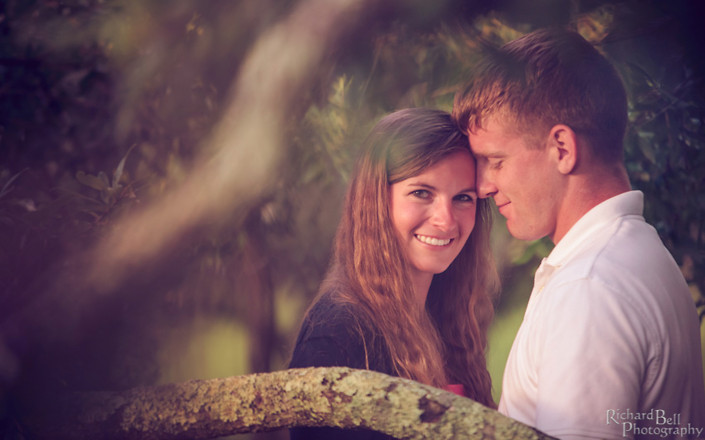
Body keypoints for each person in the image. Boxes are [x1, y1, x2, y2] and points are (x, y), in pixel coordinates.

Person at [452, 27, 705, 439]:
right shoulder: (639, 255)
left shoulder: (589, 287)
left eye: (495, 161)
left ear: (562, 149)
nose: (482, 186)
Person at [288, 108, 499, 439]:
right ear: (376, 200)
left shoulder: (448, 317)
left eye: (462, 198)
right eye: (421, 193)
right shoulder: (337, 334)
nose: (446, 220)